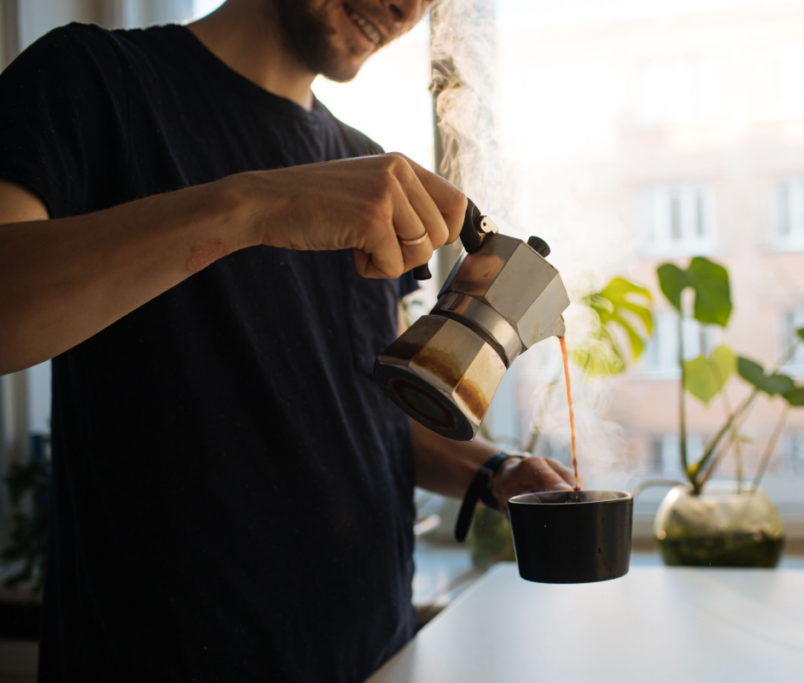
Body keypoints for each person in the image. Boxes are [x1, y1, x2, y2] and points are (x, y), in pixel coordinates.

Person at [0, 1, 578, 680]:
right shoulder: (91, 80)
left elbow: (364, 410)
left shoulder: (361, 167)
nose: (407, 9)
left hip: (376, 654)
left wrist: (493, 470)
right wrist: (250, 208)